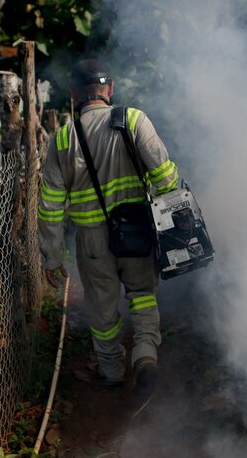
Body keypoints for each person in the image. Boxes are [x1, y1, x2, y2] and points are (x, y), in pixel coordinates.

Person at [38, 59, 180, 396]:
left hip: (91, 243)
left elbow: (50, 206)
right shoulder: (133, 120)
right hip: (137, 231)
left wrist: (51, 256)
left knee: (102, 308)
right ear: (111, 89)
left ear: (74, 94)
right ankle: (145, 355)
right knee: (143, 296)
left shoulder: (62, 139)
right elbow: (165, 175)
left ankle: (111, 371)